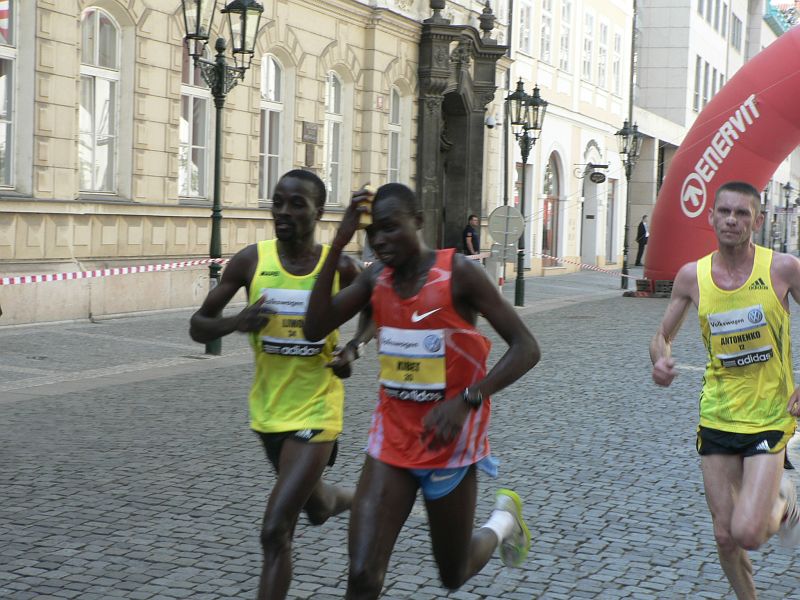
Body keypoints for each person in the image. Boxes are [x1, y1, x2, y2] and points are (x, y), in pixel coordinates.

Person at [303, 183, 541, 598]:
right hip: (391, 444)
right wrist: (339, 239)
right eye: (373, 231)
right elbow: (314, 326)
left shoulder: (459, 274)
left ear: (418, 222)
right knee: (362, 575)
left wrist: (469, 399)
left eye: (391, 228)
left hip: (449, 446)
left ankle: (503, 524)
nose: (379, 240)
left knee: (453, 572)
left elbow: (526, 348)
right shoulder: (376, 277)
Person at [189, 169, 369, 600]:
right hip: (268, 411)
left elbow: (374, 304)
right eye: (277, 202)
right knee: (317, 506)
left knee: (275, 530)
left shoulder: (340, 265)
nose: (283, 212)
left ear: (318, 212)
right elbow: (198, 325)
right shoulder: (252, 260)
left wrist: (354, 348)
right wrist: (236, 322)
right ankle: (356, 497)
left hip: (318, 409)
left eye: (296, 204)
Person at [650, 180, 800, 600]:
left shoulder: (782, 269)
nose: (732, 220)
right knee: (724, 535)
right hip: (717, 413)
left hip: (770, 415)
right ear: (711, 216)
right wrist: (659, 359)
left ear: (758, 220)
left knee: (748, 532)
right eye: (725, 212)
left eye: (742, 213)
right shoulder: (691, 276)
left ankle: (785, 504)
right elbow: (661, 336)